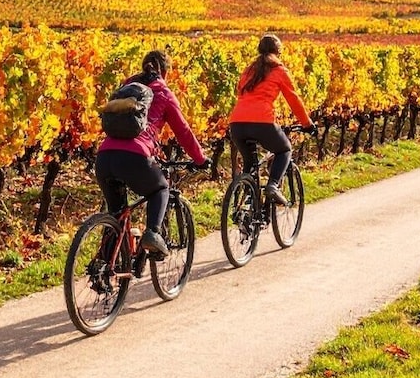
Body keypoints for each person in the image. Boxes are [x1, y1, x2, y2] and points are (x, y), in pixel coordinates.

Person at [95, 50, 210, 260]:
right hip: (136, 156)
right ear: (165, 72)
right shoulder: (163, 93)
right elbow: (183, 131)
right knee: (160, 188)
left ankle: (104, 265)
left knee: (116, 214)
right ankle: (153, 233)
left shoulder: (125, 89)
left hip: (104, 156)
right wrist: (200, 159)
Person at [228, 34, 316, 205]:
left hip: (237, 124)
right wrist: (307, 124)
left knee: (249, 163)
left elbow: (241, 93)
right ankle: (273, 185)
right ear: (278, 52)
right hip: (263, 122)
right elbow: (293, 99)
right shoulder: (279, 70)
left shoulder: (249, 70)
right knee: (284, 150)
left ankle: (248, 204)